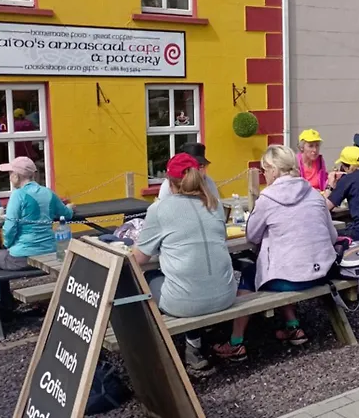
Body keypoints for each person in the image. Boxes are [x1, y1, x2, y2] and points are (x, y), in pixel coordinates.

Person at [213, 145, 337, 361]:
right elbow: (332, 236)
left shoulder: (267, 199)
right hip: (322, 271)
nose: (264, 175)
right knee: (281, 265)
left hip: (288, 277)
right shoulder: (314, 194)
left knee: (253, 274)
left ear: (273, 169)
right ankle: (293, 326)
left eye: (264, 170)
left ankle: (236, 341)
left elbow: (252, 236)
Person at [132, 153, 236, 372]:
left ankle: (149, 353)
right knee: (191, 278)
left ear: (169, 183)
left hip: (184, 302)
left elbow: (138, 258)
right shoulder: (215, 205)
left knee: (148, 278)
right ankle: (194, 343)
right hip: (226, 295)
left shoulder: (159, 210)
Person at [0, 157, 74, 271]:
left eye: (10, 173)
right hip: (50, 252)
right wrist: (69, 207)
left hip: (22, 257)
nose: (9, 177)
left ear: (16, 176)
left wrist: (7, 245)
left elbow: (10, 228)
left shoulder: (17, 195)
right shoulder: (48, 192)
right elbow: (67, 214)